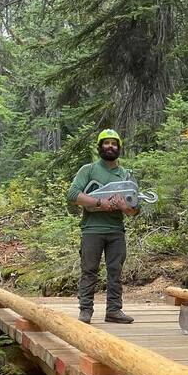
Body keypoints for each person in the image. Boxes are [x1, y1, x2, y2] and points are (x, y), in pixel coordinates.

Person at [67, 128, 141, 324]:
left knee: (115, 271)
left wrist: (125, 207)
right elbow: (73, 195)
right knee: (89, 270)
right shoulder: (88, 170)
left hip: (116, 231)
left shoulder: (126, 175)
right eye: (106, 143)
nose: (110, 146)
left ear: (119, 148)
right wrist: (100, 203)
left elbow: (135, 210)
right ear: (100, 147)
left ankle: (114, 311)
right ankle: (85, 311)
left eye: (114, 143)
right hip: (92, 230)